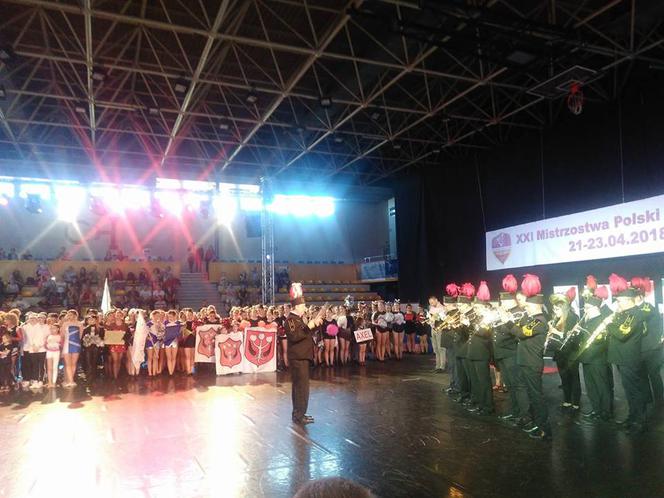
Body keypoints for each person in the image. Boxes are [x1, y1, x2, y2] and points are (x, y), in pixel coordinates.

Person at [606, 273, 651, 434]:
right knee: (628, 390)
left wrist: (608, 324)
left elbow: (621, 333)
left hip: (629, 359)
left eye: (618, 300)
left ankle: (639, 422)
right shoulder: (625, 313)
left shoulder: (634, 314)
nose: (617, 303)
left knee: (634, 391)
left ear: (627, 300)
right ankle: (632, 418)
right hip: (621, 358)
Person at [515, 274, 551, 440]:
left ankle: (543, 428)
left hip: (531, 363)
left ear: (536, 305)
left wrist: (510, 323)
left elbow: (520, 333)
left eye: (528, 305)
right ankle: (532, 421)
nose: (526, 308)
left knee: (537, 396)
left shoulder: (539, 321)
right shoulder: (530, 318)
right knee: (528, 393)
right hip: (524, 361)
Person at [284, 283, 324, 425]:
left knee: (301, 388)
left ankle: (300, 413)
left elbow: (305, 335)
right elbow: (295, 336)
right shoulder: (291, 320)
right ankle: (299, 415)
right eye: (303, 306)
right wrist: (310, 326)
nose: (305, 308)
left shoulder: (298, 320)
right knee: (301, 388)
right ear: (297, 307)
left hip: (302, 357)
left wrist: (315, 324)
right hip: (298, 358)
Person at [492, 275, 528, 424]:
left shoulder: (519, 312)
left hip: (512, 352)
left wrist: (506, 319)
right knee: (510, 385)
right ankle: (514, 411)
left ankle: (524, 414)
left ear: (512, 300)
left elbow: (519, 333)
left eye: (504, 301)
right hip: (502, 352)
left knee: (518, 385)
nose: (502, 303)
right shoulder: (504, 312)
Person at [578, 278, 614, 421]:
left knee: (602, 386)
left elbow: (601, 344)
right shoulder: (587, 321)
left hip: (598, 360)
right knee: (591, 387)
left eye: (588, 308)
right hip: (587, 359)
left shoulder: (602, 321)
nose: (585, 310)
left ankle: (605, 412)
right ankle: (596, 409)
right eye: (585, 308)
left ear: (596, 308)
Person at [632, 277, 664, 410]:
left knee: (654, 375)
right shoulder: (641, 308)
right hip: (641, 349)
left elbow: (657, 328)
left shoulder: (647, 308)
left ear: (639, 296)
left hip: (651, 349)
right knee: (643, 375)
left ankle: (660, 399)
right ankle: (648, 399)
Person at [549, 288, 580, 414]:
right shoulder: (556, 319)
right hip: (560, 353)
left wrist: (555, 331)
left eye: (557, 309)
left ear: (563, 308)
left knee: (574, 378)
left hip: (571, 353)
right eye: (554, 309)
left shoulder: (572, 317)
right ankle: (567, 400)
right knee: (564, 378)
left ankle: (576, 403)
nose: (554, 311)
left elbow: (570, 337)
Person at [465, 282, 494, 415]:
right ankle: (480, 403)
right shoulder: (477, 317)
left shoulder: (488, 317)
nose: (475, 309)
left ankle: (488, 406)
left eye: (477, 307)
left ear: (483, 306)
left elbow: (484, 333)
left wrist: (470, 324)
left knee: (484, 381)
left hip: (482, 353)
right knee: (476, 381)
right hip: (473, 352)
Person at [60, 309, 83, 387]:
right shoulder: (65, 324)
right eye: (69, 315)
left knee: (74, 363)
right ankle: (70, 380)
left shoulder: (79, 324)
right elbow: (62, 336)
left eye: (72, 315)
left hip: (76, 345)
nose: (70, 316)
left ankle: (70, 380)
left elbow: (80, 336)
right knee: (68, 364)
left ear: (76, 316)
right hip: (67, 345)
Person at [81, 313, 104, 382]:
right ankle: (89, 376)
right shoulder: (85, 329)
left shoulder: (100, 329)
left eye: (93, 320)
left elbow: (102, 338)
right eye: (90, 320)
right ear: (87, 321)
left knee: (94, 361)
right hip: (88, 348)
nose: (91, 321)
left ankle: (94, 376)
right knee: (88, 362)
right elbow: (82, 339)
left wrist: (99, 342)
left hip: (96, 348)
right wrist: (86, 341)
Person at [428, 295, 446, 372]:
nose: (431, 304)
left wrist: (437, 316)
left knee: (441, 348)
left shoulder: (442, 308)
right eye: (430, 303)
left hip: (440, 329)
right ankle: (437, 366)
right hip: (433, 329)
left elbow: (444, 318)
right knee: (435, 348)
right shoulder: (431, 308)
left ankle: (442, 366)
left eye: (432, 302)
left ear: (436, 300)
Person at [163, 310, 182, 376]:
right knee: (169, 357)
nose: (170, 318)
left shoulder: (178, 323)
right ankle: (170, 372)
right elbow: (162, 332)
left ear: (175, 316)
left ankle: (172, 372)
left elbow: (180, 333)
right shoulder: (165, 323)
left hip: (175, 342)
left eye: (171, 316)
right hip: (167, 342)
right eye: (169, 316)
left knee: (173, 357)